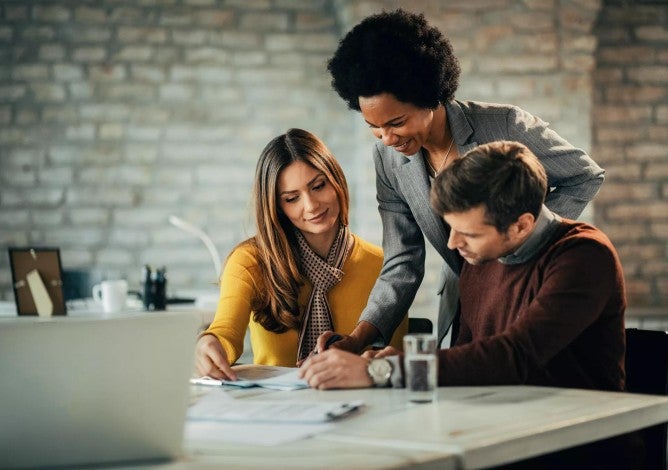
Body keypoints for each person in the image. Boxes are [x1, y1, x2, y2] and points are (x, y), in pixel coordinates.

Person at [299, 140, 639, 468]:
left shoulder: (584, 255)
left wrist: (384, 371)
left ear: (522, 225)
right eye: (451, 228)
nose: (452, 242)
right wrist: (379, 358)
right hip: (496, 432)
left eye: (469, 234)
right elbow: (467, 354)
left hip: (574, 447)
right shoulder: (481, 254)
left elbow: (515, 356)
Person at [318, 9, 605, 354]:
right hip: (466, 303)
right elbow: (402, 260)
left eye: (396, 122)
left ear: (429, 95)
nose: (386, 138)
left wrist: (516, 236)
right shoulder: (388, 159)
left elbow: (584, 175)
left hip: (526, 287)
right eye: (374, 128)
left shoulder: (506, 126)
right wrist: (359, 337)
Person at [194, 128, 407, 380]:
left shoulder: (383, 265)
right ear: (276, 207)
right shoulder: (250, 261)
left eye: (318, 186)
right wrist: (209, 344)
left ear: (336, 180)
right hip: (277, 411)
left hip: (364, 404)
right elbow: (225, 333)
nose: (311, 205)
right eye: (292, 198)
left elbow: (392, 361)